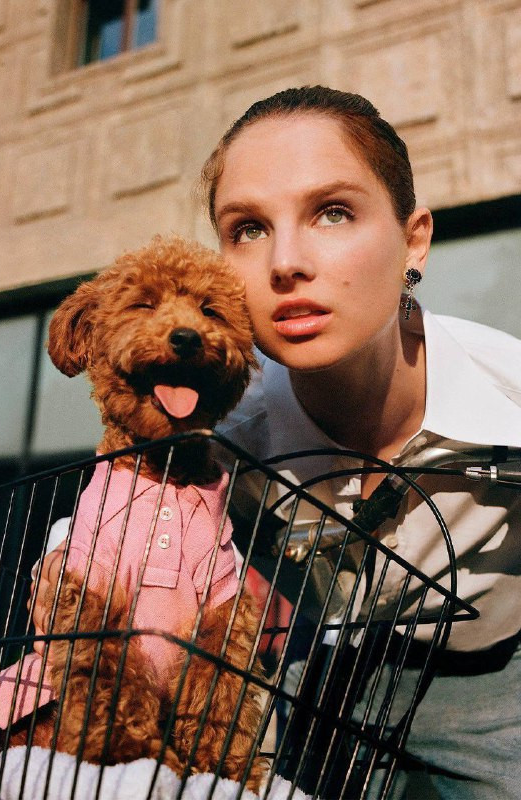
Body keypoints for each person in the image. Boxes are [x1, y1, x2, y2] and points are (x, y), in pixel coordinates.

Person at [202, 86, 521, 799]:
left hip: (500, 674)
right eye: (247, 228)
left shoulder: (509, 399)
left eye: (333, 212)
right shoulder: (227, 442)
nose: (285, 262)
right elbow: (113, 550)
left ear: (414, 241)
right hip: (334, 670)